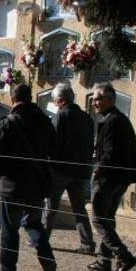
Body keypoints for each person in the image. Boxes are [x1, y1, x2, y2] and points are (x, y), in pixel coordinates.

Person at [0, 83, 57, 271]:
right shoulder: (45, 121)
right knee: (33, 222)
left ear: (12, 98)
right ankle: (48, 260)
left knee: (9, 228)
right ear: (31, 97)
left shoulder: (7, 122)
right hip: (37, 184)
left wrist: (1, 176)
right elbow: (54, 149)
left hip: (12, 185)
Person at [89, 82, 136, 271]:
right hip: (119, 178)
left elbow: (110, 153)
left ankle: (124, 256)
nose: (94, 102)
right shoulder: (116, 118)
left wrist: (97, 170)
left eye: (98, 98)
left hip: (109, 178)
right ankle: (104, 260)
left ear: (110, 99)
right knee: (107, 218)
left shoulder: (112, 121)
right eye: (93, 98)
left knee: (99, 220)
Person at [43, 83, 96, 255]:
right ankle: (87, 243)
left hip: (60, 170)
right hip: (80, 170)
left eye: (55, 100)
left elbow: (53, 143)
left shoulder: (61, 116)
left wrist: (49, 164)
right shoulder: (86, 117)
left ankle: (42, 239)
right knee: (79, 207)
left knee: (51, 206)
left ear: (61, 100)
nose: (55, 103)